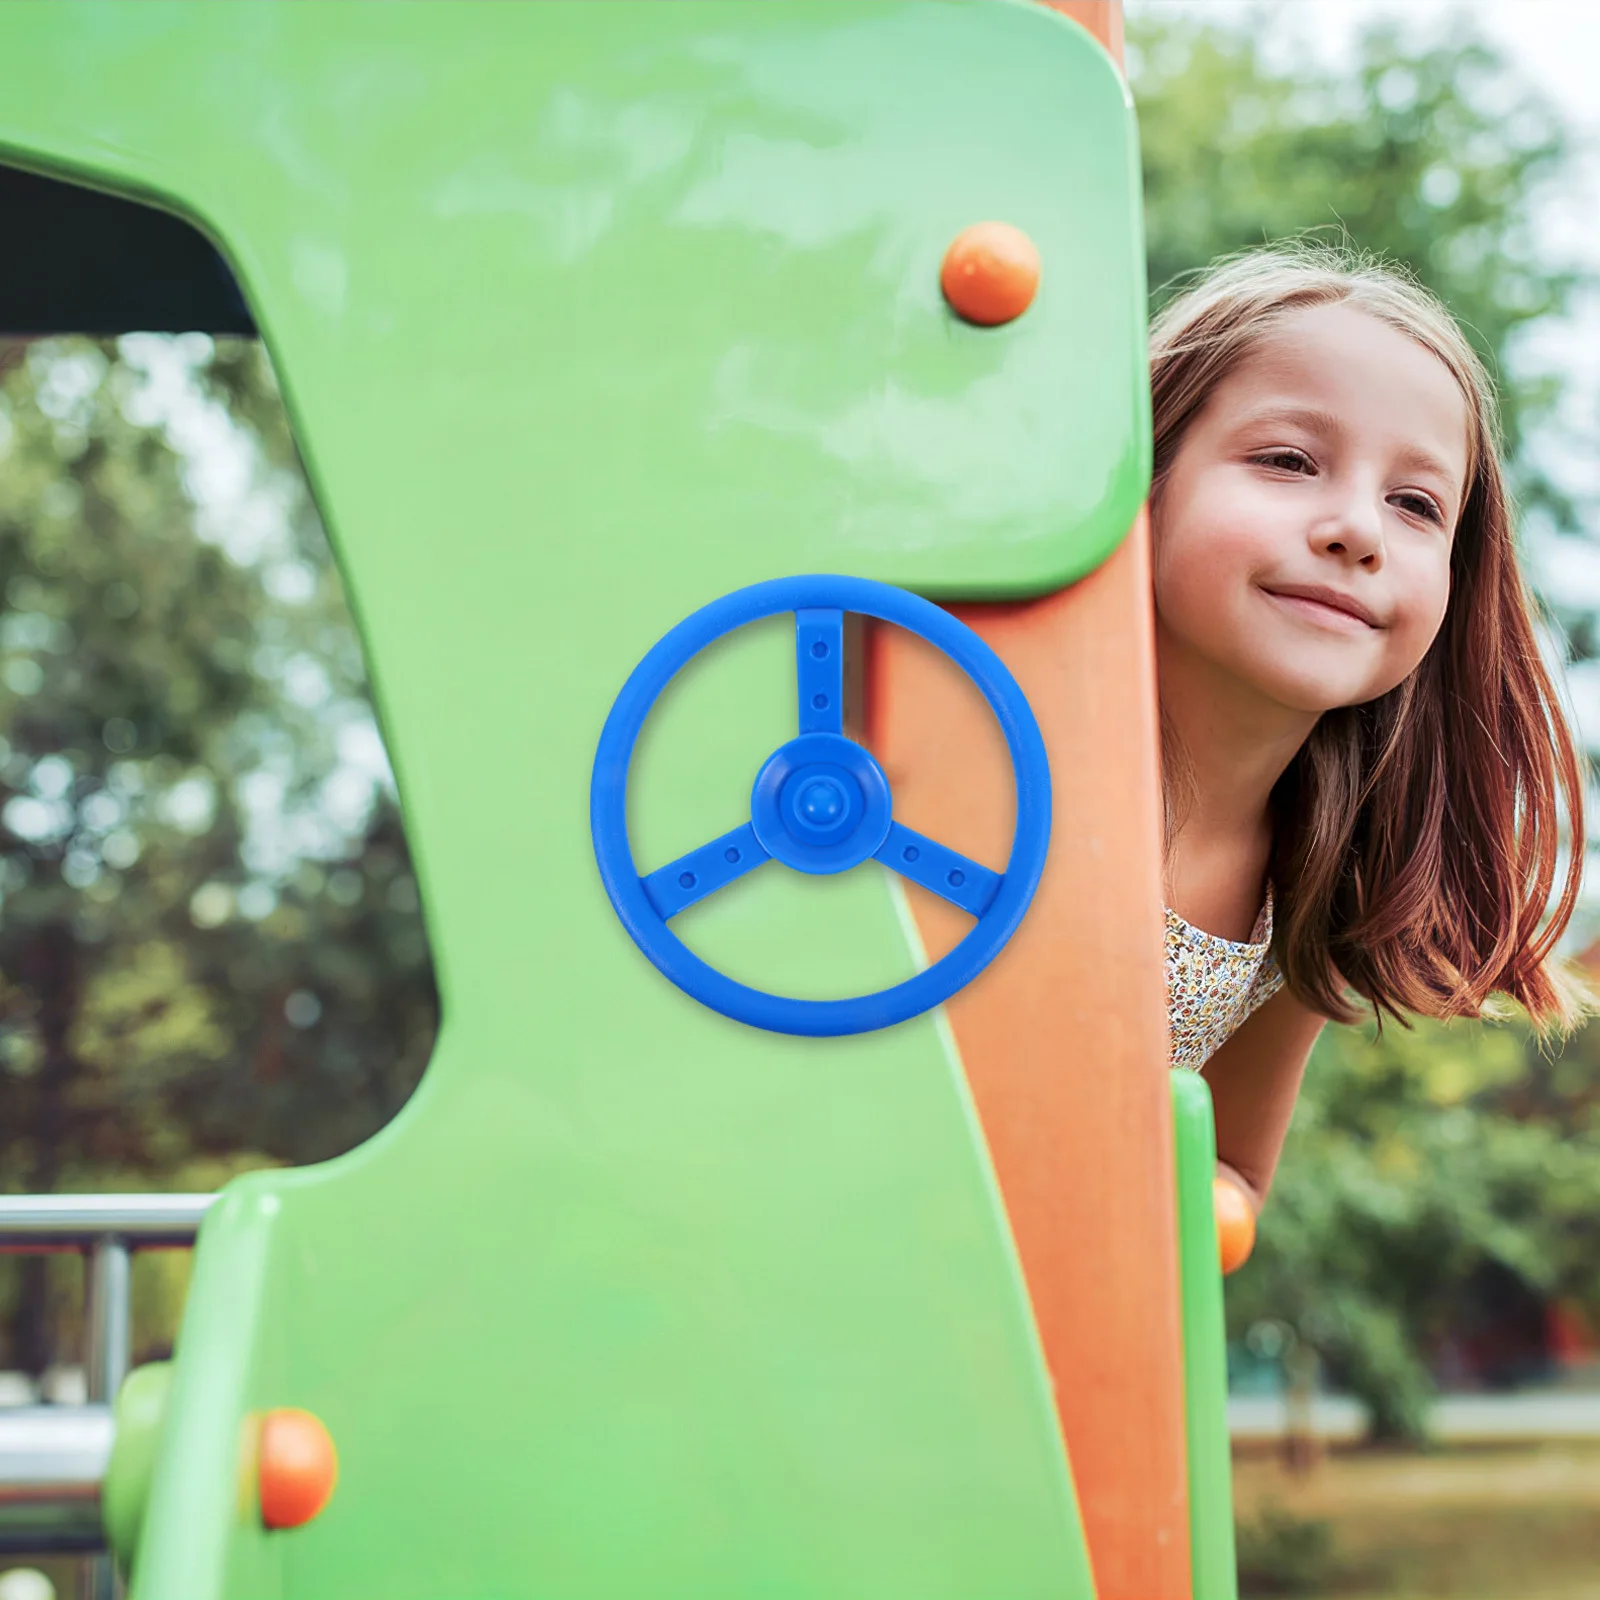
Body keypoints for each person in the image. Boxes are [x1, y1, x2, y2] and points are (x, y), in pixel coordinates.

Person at [1150, 243, 1589, 1218]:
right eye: (1287, 461)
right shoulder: (996, 731)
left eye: (1415, 504)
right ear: (1141, 478)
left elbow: (1230, 1173)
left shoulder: (1318, 873)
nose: (1357, 530)